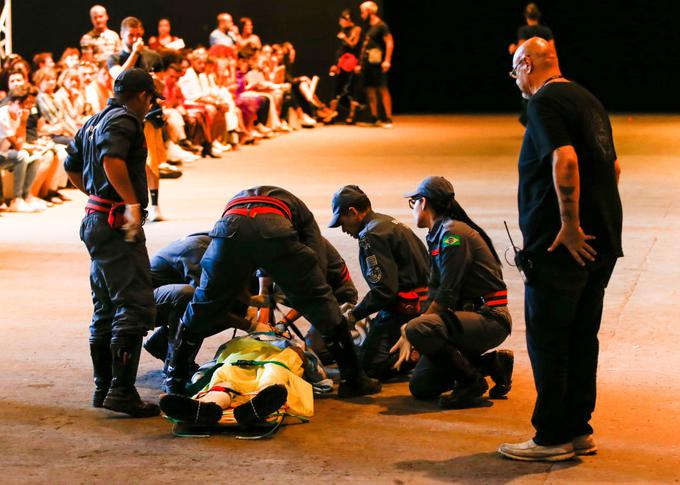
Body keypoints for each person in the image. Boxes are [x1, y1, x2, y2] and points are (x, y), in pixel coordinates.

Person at [499, 37, 623, 461]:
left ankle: (551, 437)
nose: (515, 78)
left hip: (561, 247)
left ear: (528, 64)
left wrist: (570, 224)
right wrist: (596, 220)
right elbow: (613, 166)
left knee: (550, 341)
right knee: (581, 338)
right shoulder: (587, 98)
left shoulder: (544, 103)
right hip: (601, 243)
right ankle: (578, 428)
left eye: (516, 69)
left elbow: (565, 160)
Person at [163, 186, 382, 399]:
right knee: (323, 305)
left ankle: (175, 379)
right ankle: (353, 380)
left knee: (201, 306)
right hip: (273, 228)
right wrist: (314, 295)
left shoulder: (243, 201)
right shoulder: (302, 214)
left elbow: (248, 243)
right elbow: (316, 260)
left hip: (227, 228)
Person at [63, 68, 164, 418]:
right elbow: (111, 160)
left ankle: (103, 387)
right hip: (116, 221)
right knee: (134, 304)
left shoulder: (94, 119)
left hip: (95, 219)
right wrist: (129, 203)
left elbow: (71, 165)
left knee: (105, 305)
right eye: (150, 99)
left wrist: (95, 196)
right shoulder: (125, 121)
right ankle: (121, 391)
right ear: (141, 96)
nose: (149, 106)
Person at [389, 177, 513, 409]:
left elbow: (447, 293)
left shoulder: (453, 235)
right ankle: (493, 364)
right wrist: (419, 339)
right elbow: (434, 292)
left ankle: (472, 383)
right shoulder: (438, 234)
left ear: (423, 202)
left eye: (413, 201)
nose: (413, 207)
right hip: (463, 321)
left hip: (489, 318)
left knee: (417, 328)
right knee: (422, 387)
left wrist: (416, 329)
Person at [329, 185, 430, 381]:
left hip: (406, 308)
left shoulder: (371, 236)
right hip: (425, 301)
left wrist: (355, 314)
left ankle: (423, 356)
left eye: (342, 222)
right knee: (367, 346)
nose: (343, 230)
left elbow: (385, 291)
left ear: (353, 212)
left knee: (368, 367)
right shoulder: (386, 222)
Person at [108, 16, 175, 222]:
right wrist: (135, 53)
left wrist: (155, 83)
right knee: (122, 159)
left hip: (149, 115)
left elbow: (164, 88)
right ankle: (125, 203)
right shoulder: (115, 57)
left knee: (151, 161)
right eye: (131, 35)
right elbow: (118, 78)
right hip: (122, 116)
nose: (135, 38)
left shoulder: (153, 57)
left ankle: (154, 205)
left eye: (138, 35)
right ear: (122, 34)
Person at [508, 3, 555, 126]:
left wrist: (513, 48)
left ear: (526, 16)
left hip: (529, 69)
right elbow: (552, 50)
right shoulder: (546, 31)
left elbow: (522, 49)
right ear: (538, 15)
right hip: (544, 70)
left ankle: (528, 120)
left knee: (526, 95)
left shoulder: (523, 30)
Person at [0, 86, 43, 212]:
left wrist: (33, 147)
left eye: (23, 104)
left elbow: (20, 141)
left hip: (5, 152)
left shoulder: (17, 114)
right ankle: (16, 199)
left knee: (36, 157)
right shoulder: (2, 116)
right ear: (10, 103)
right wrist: (23, 122)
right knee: (22, 155)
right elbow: (18, 146)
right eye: (19, 104)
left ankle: (26, 196)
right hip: (2, 154)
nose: (22, 107)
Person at [356, 1, 394, 128]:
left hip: (378, 61)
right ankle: (374, 118)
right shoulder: (368, 27)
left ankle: (388, 118)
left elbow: (389, 42)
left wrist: (387, 60)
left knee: (382, 88)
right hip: (368, 62)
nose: (361, 15)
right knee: (370, 89)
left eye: (362, 12)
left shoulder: (381, 25)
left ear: (369, 11)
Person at [327, 9, 362, 124]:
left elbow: (354, 46)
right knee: (336, 88)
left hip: (351, 62)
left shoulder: (356, 29)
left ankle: (351, 116)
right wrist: (335, 63)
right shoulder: (342, 30)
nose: (340, 22)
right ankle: (331, 114)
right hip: (341, 63)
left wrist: (344, 38)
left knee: (352, 88)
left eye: (342, 19)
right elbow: (340, 50)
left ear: (348, 19)